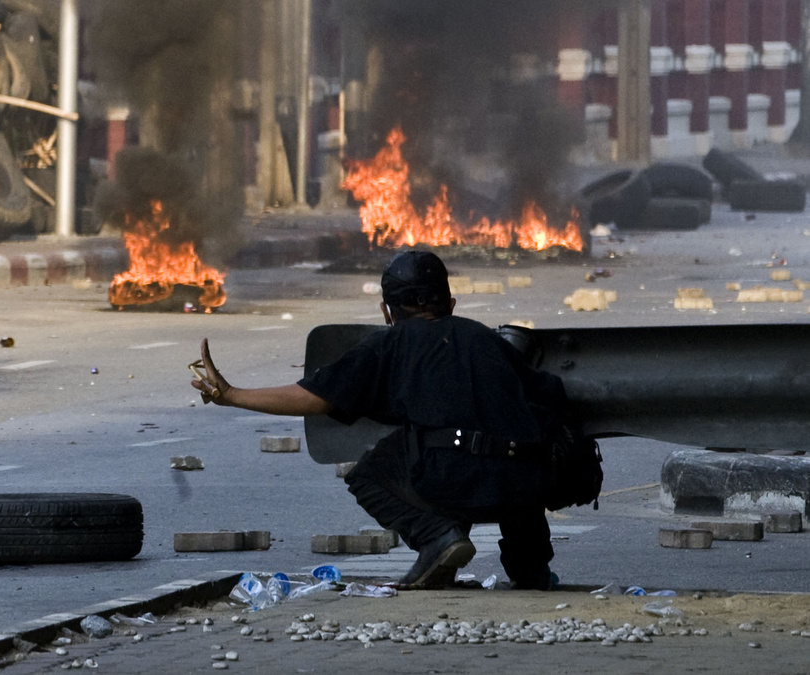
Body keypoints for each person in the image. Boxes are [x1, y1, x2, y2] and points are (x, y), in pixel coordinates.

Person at [190, 249, 567, 590]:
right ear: (450, 303)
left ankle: (439, 538)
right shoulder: (486, 338)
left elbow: (312, 398)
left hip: (454, 482)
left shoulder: (389, 344)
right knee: (514, 452)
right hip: (523, 486)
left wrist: (233, 394)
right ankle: (530, 569)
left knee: (371, 473)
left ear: (387, 312)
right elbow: (550, 396)